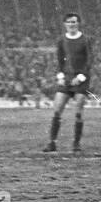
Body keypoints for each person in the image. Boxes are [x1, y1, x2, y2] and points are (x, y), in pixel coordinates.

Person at [43, 13, 90, 152]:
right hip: (66, 79)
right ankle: (52, 143)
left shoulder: (85, 40)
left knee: (78, 112)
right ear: (65, 24)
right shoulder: (61, 40)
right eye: (69, 22)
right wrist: (61, 76)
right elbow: (59, 60)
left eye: (74, 22)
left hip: (80, 80)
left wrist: (81, 76)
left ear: (78, 23)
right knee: (57, 111)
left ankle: (76, 144)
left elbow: (89, 60)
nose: (72, 24)